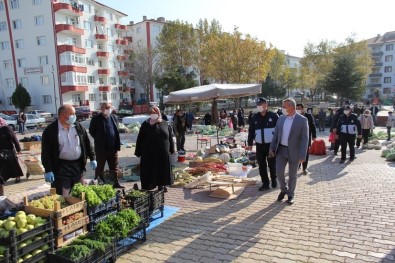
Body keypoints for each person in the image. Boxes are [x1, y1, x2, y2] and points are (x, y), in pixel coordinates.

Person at [41, 105, 96, 196]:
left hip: (78, 167)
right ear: (62, 115)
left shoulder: (78, 127)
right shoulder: (50, 131)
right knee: (63, 196)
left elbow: (87, 143)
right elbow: (46, 152)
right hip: (61, 168)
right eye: (72, 114)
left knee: (80, 194)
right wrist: (48, 170)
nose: (74, 116)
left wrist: (93, 157)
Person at [269, 98, 309, 205]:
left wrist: (302, 155)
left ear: (291, 107)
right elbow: (276, 135)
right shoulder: (281, 118)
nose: (282, 108)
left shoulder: (302, 120)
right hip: (281, 150)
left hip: (294, 152)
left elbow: (305, 139)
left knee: (292, 175)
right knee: (279, 171)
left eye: (284, 106)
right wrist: (271, 148)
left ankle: (290, 194)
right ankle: (283, 189)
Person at [135, 106, 175, 192]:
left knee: (162, 169)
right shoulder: (145, 124)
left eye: (155, 113)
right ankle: (148, 185)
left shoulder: (165, 123)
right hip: (148, 152)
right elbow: (140, 138)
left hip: (162, 152)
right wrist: (138, 151)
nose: (153, 115)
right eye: (151, 113)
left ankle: (161, 185)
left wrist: (172, 149)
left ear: (158, 113)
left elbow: (169, 138)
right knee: (149, 168)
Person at [89, 103, 124, 188]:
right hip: (101, 149)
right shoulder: (96, 119)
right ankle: (98, 183)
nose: (108, 109)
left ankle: (115, 183)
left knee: (114, 167)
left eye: (109, 107)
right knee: (100, 167)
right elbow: (91, 131)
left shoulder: (114, 117)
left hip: (113, 148)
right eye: (106, 108)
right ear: (102, 109)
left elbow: (115, 130)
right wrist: (99, 139)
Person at [247, 97, 279, 191]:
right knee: (261, 165)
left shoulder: (273, 116)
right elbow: (251, 131)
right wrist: (250, 143)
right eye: (258, 105)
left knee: (272, 165)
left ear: (266, 105)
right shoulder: (254, 118)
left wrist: (277, 144)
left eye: (261, 104)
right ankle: (265, 183)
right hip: (259, 146)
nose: (259, 106)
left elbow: (278, 131)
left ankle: (274, 180)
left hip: (271, 146)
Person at [0, 117, 23, 195]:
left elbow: (14, 139)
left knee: (14, 166)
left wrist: (18, 149)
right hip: (0, 153)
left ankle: (18, 177)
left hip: (9, 151)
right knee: (2, 168)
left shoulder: (6, 128)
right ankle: (2, 180)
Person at [296, 103, 316, 175]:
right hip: (297, 138)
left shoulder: (308, 116)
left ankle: (304, 168)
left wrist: (314, 135)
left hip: (306, 138)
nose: (298, 110)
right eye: (297, 108)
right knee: (297, 152)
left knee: (305, 153)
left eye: (299, 108)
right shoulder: (294, 116)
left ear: (303, 109)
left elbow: (312, 126)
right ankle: (297, 165)